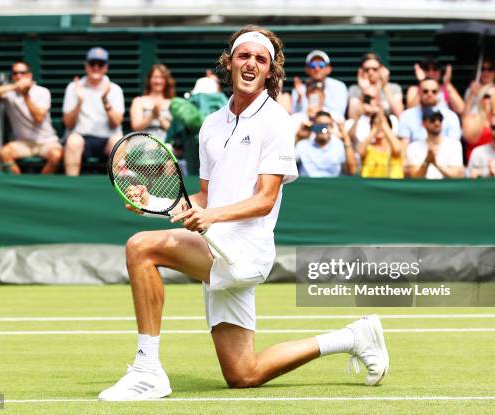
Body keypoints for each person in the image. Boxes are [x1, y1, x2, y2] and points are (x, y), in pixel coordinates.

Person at [98, 25, 389, 401]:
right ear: (229, 62)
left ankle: (147, 370)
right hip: (214, 244)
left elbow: (265, 198)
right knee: (243, 373)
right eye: (244, 56)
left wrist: (212, 219)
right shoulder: (211, 125)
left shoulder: (277, 121)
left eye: (261, 59)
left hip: (244, 252)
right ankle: (352, 337)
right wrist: (152, 203)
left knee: (140, 248)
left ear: (270, 70)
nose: (251, 64)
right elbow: (203, 199)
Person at [0, 61, 61, 174]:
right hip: (22, 143)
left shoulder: (42, 92)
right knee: (4, 153)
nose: (19, 76)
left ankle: (41, 186)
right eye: (15, 73)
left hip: (46, 141)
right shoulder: (8, 93)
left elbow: (38, 118)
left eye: (22, 73)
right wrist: (14, 86)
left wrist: (25, 95)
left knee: (56, 155)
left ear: (29, 75)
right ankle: (21, 184)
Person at [62, 47, 125, 176]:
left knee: (118, 141)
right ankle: (71, 190)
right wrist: (79, 101)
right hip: (82, 138)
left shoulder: (114, 89)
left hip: (107, 138)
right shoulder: (74, 87)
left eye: (100, 64)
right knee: (73, 141)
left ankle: (118, 189)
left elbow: (116, 123)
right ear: (86, 66)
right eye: (92, 64)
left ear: (106, 67)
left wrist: (105, 101)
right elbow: (68, 124)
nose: (96, 67)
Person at [397, 78, 461, 145]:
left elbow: (454, 145)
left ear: (439, 93)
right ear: (419, 92)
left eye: (434, 91)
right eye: (425, 91)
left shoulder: (451, 116)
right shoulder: (407, 116)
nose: (429, 94)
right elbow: (404, 146)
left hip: (444, 154)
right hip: (416, 154)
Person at [405, 107, 464, 179]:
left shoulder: (454, 145)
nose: (437, 123)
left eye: (440, 119)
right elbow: (415, 177)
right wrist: (427, 161)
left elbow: (457, 176)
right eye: (432, 120)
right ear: (423, 123)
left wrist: (436, 164)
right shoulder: (413, 147)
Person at [295, 110, 357, 176]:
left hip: (331, 185)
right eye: (320, 125)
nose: (323, 128)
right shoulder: (302, 145)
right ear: (314, 126)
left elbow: (352, 171)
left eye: (327, 125)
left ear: (332, 126)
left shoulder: (339, 145)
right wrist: (297, 137)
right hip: (307, 185)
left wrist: (346, 137)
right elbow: (287, 164)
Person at [291, 50, 348, 120]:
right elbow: (295, 114)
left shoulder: (339, 86)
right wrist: (299, 98)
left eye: (321, 65)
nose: (317, 69)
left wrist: (320, 108)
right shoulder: (299, 88)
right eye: (313, 65)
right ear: (307, 69)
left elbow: (340, 114)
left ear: (328, 69)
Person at [348, 53, 404, 120]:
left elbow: (399, 115)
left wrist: (384, 85)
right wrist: (365, 91)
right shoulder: (354, 89)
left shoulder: (394, 88)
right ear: (361, 71)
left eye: (375, 69)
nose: (370, 72)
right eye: (367, 69)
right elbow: (352, 117)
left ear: (381, 69)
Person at [130, 64, 175, 141]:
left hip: (166, 146)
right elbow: (136, 127)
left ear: (166, 81)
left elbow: (173, 131)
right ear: (149, 79)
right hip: (142, 144)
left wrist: (159, 116)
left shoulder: (173, 103)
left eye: (161, 77)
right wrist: (151, 116)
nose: (158, 81)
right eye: (155, 77)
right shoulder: (138, 101)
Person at [358, 111, 404, 179]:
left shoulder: (394, 147)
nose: (380, 127)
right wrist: (375, 128)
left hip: (392, 186)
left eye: (381, 124)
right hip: (370, 186)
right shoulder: (368, 148)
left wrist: (385, 125)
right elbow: (360, 151)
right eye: (375, 124)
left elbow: (397, 150)